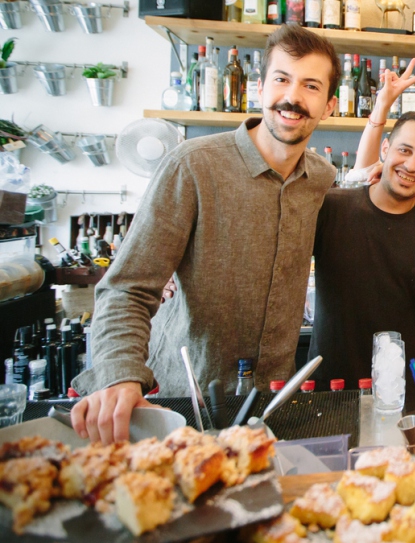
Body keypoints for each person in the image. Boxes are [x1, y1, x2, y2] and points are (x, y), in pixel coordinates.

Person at [70, 24, 342, 444]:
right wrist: (119, 375)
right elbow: (127, 287)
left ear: (329, 105)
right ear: (261, 89)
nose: (293, 97)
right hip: (181, 400)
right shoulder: (193, 166)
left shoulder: (322, 179)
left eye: (311, 86)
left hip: (271, 405)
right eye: (282, 79)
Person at [307, 76, 415, 409]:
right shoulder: (331, 207)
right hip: (332, 386)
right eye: (405, 150)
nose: (411, 166)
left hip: (406, 392)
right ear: (386, 148)